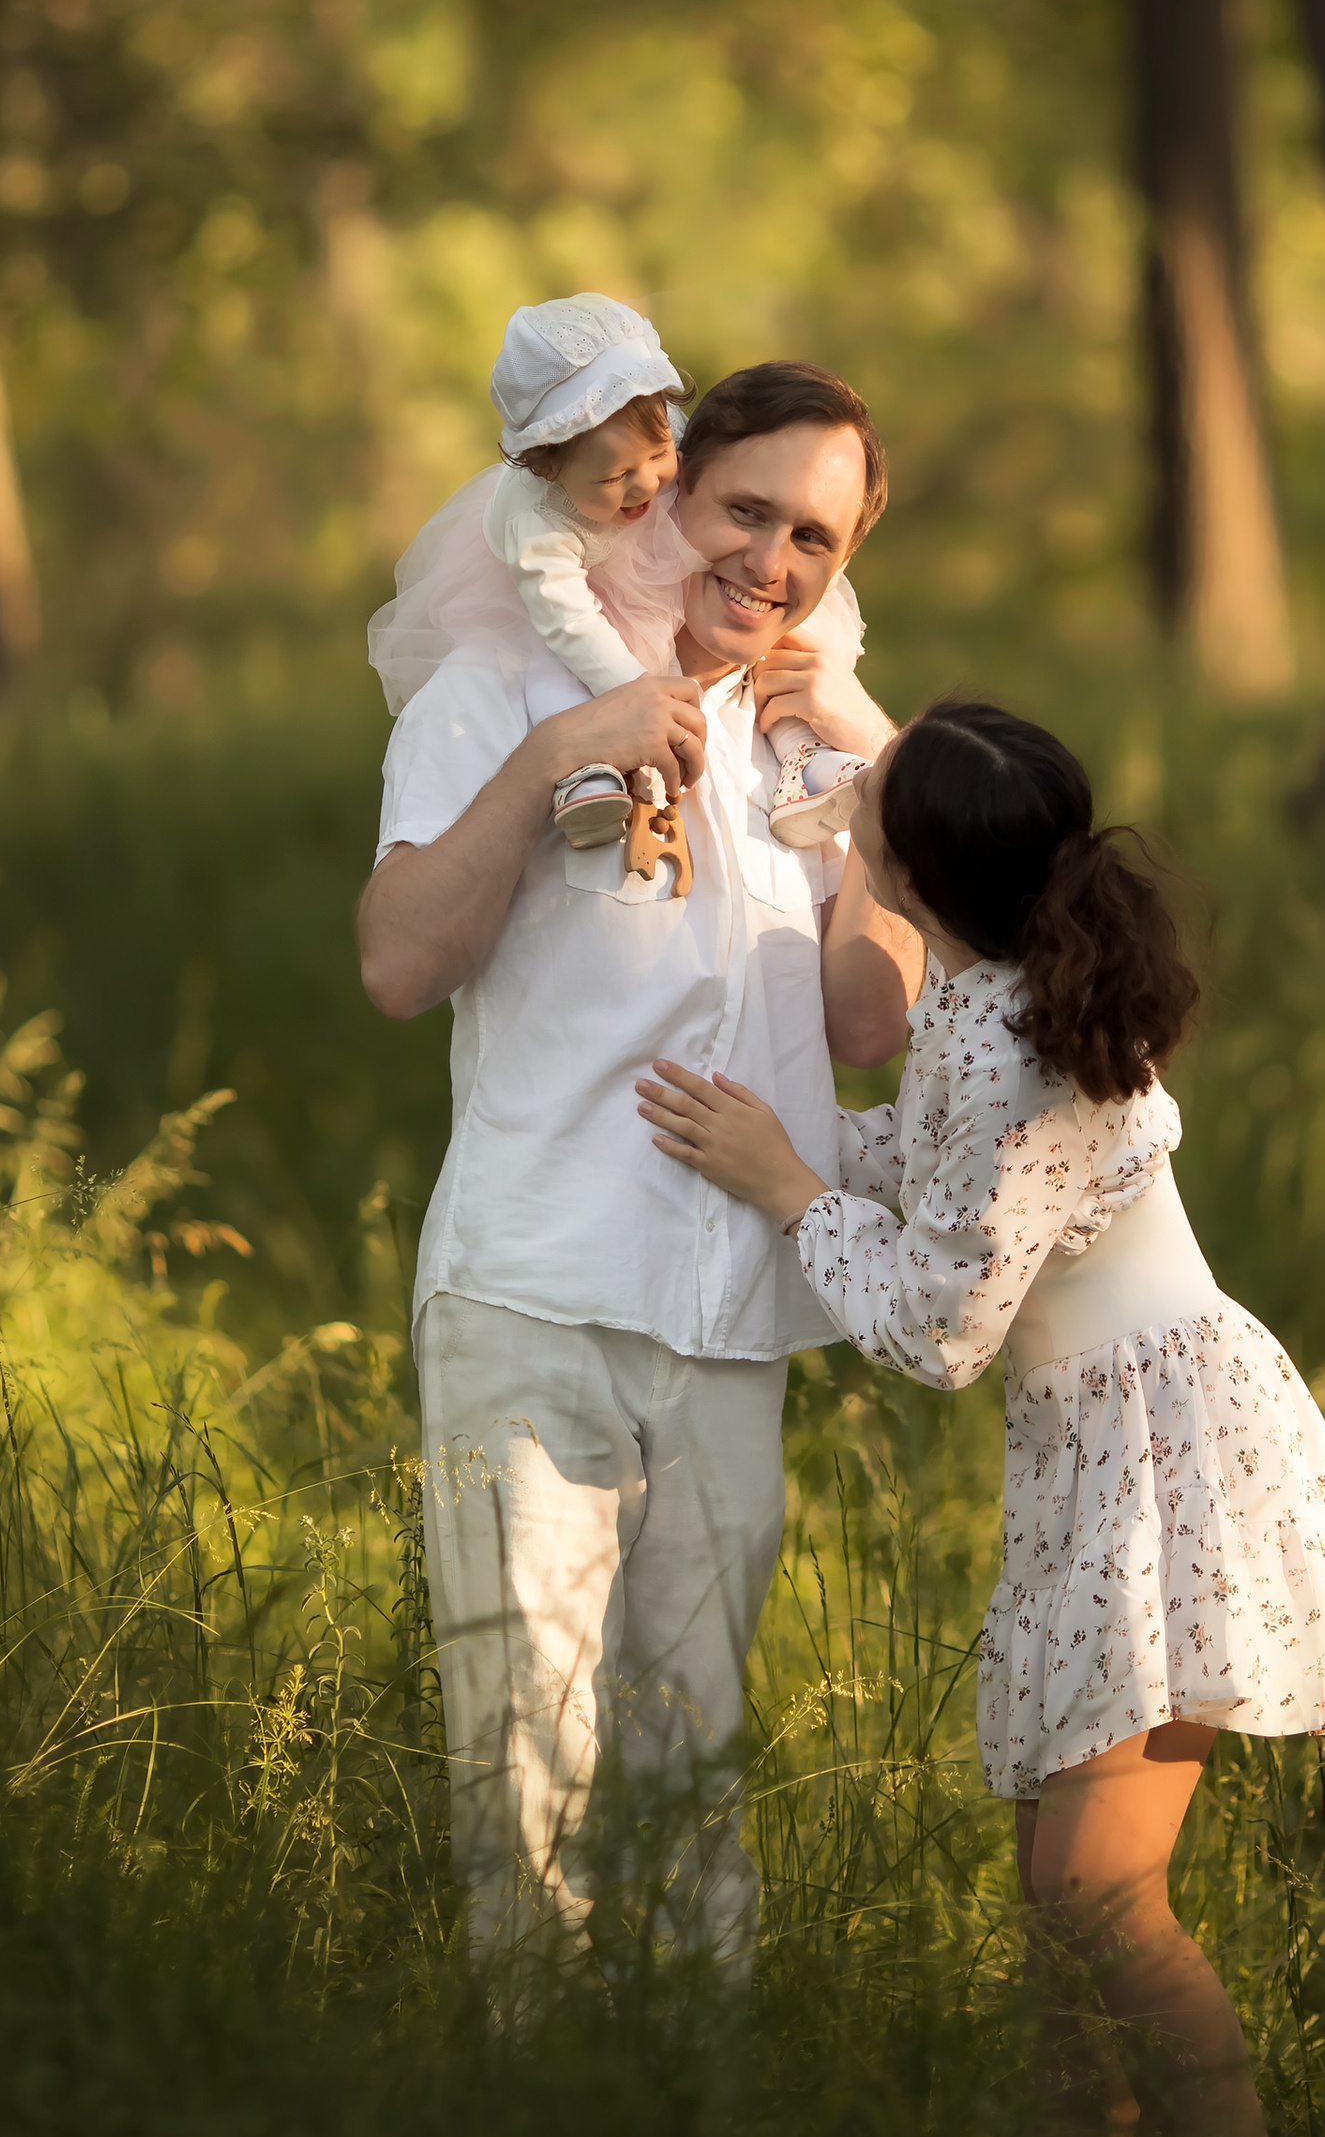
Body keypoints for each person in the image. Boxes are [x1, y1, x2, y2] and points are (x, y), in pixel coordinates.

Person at [635, 699, 1325, 2137]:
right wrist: (801, 710)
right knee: (1060, 1925)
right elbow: (932, 1146)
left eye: (878, 804)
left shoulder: (1020, 1039)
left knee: (1099, 1901)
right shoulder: (997, 965)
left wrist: (788, 1185)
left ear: (921, 874)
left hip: (1164, 1460)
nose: (853, 809)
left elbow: (947, 1332)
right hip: (1102, 1449)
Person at [357, 360, 915, 1975]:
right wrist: (560, 763)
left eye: (815, 538)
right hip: (538, 1294)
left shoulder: (799, 748)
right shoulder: (499, 693)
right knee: (526, 1785)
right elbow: (397, 967)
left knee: (695, 1776)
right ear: (660, 489)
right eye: (746, 511)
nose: (772, 563)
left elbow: (868, 1021)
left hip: (734, 1319)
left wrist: (874, 803)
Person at [366, 294, 873, 852]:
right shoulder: (495, 662)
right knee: (564, 668)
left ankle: (805, 763)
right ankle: (589, 778)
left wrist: (880, 743)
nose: (646, 487)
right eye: (746, 512)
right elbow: (569, 623)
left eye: (810, 537)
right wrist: (623, 701)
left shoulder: (833, 705)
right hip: (578, 628)